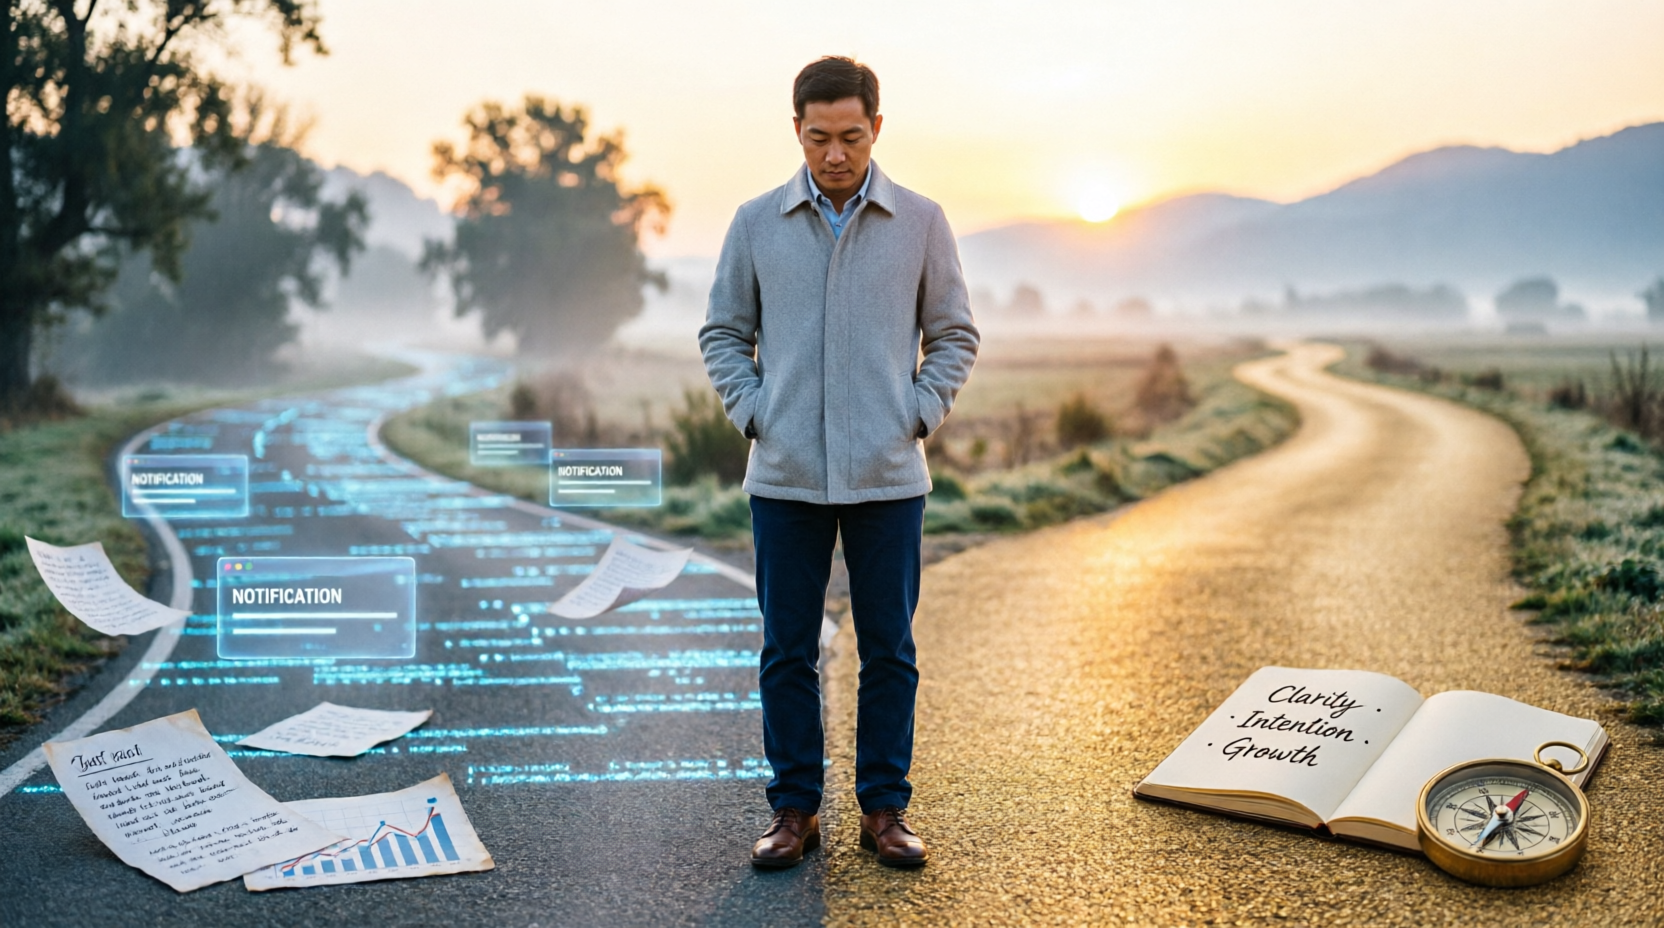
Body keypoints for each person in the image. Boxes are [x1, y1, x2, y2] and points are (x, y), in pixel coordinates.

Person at [699, 55, 980, 869]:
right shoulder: (755, 223)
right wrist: (756, 413)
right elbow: (723, 332)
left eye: (850, 136)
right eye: (818, 137)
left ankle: (884, 811)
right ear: (796, 131)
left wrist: (917, 413)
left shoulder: (921, 221)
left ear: (877, 129)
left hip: (888, 478)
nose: (834, 154)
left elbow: (954, 333)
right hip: (784, 478)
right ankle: (794, 811)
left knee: (889, 647)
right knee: (787, 648)